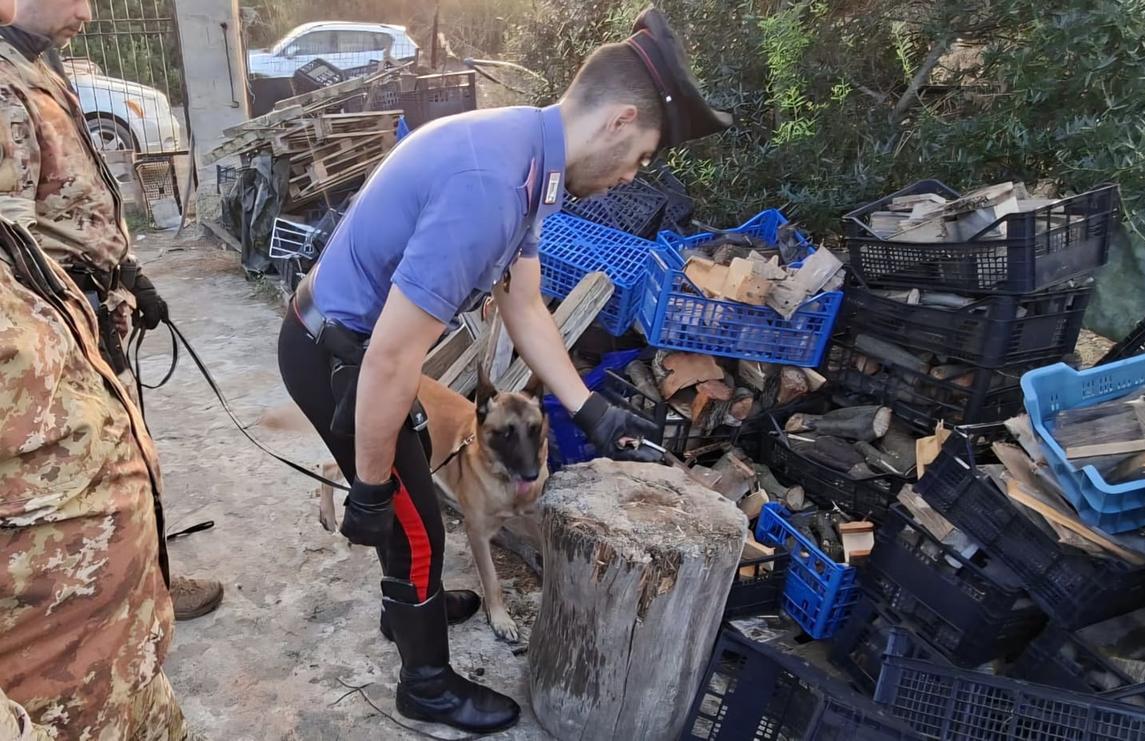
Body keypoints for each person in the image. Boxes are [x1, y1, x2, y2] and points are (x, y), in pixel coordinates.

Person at [276, 7, 731, 735]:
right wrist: (365, 483)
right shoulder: (491, 182)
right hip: (338, 354)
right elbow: (394, 353)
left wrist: (591, 410)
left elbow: (524, 304)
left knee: (405, 508)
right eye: (641, 156)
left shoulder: (528, 162)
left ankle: (408, 615)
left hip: (352, 347)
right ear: (617, 121)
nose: (628, 177)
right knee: (416, 517)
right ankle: (424, 683)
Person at [0, 0, 224, 620]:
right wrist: (67, 318)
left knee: (129, 447)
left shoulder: (39, 65)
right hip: (58, 319)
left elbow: (70, 204)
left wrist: (127, 274)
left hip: (94, 299)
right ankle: (118, 605)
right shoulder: (4, 83)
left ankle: (149, 581)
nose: (88, 12)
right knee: (94, 469)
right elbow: (9, 239)